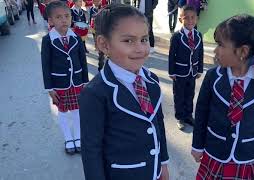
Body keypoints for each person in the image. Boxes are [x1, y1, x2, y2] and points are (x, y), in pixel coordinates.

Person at [79, 4, 169, 180]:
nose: (140, 48)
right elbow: (91, 150)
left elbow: (158, 126)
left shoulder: (151, 80)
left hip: (153, 171)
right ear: (104, 44)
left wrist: (163, 163)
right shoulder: (95, 93)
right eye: (128, 41)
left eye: (144, 39)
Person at [191, 14, 254, 179]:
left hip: (246, 156)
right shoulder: (213, 76)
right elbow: (201, 112)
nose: (215, 50)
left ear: (243, 51)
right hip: (215, 152)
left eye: (220, 45)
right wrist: (197, 145)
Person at [41, 0, 89, 155]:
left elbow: (82, 60)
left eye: (67, 16)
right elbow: (45, 65)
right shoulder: (48, 40)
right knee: (62, 112)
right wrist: (49, 87)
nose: (64, 20)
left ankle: (78, 137)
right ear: (50, 21)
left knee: (77, 111)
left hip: (76, 82)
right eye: (58, 17)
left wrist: (85, 81)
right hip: (59, 83)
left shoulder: (75, 37)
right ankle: (68, 138)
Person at [168, 5, 203, 130]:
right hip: (179, 72)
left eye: (193, 18)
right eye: (186, 18)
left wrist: (199, 69)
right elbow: (172, 55)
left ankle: (188, 115)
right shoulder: (177, 36)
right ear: (180, 20)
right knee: (179, 95)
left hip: (192, 72)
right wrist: (171, 71)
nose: (190, 21)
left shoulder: (198, 35)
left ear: (197, 19)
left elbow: (200, 53)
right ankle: (180, 117)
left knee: (190, 94)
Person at [89, 0, 105, 71]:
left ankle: (101, 66)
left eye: (98, 1)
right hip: (94, 27)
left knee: (102, 52)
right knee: (95, 38)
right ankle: (100, 67)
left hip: (102, 29)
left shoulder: (103, 8)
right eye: (95, 1)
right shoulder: (92, 9)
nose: (97, 3)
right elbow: (91, 16)